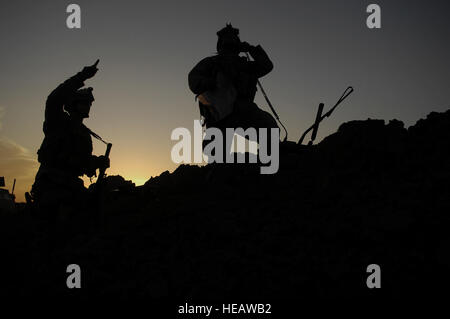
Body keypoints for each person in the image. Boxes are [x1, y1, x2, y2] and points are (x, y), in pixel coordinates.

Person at [188, 23, 279, 161]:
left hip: (244, 111)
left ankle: (265, 166)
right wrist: (212, 83)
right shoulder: (211, 63)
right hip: (219, 115)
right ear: (220, 45)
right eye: (226, 41)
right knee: (216, 155)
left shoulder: (245, 66)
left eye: (233, 41)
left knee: (270, 129)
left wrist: (250, 48)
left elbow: (267, 66)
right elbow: (193, 80)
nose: (230, 44)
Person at [30, 60, 109, 216]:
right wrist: (82, 76)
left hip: (72, 187)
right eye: (84, 103)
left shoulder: (85, 134)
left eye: (89, 104)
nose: (88, 106)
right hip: (51, 186)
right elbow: (54, 98)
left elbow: (82, 163)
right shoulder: (57, 121)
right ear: (73, 104)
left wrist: (98, 162)